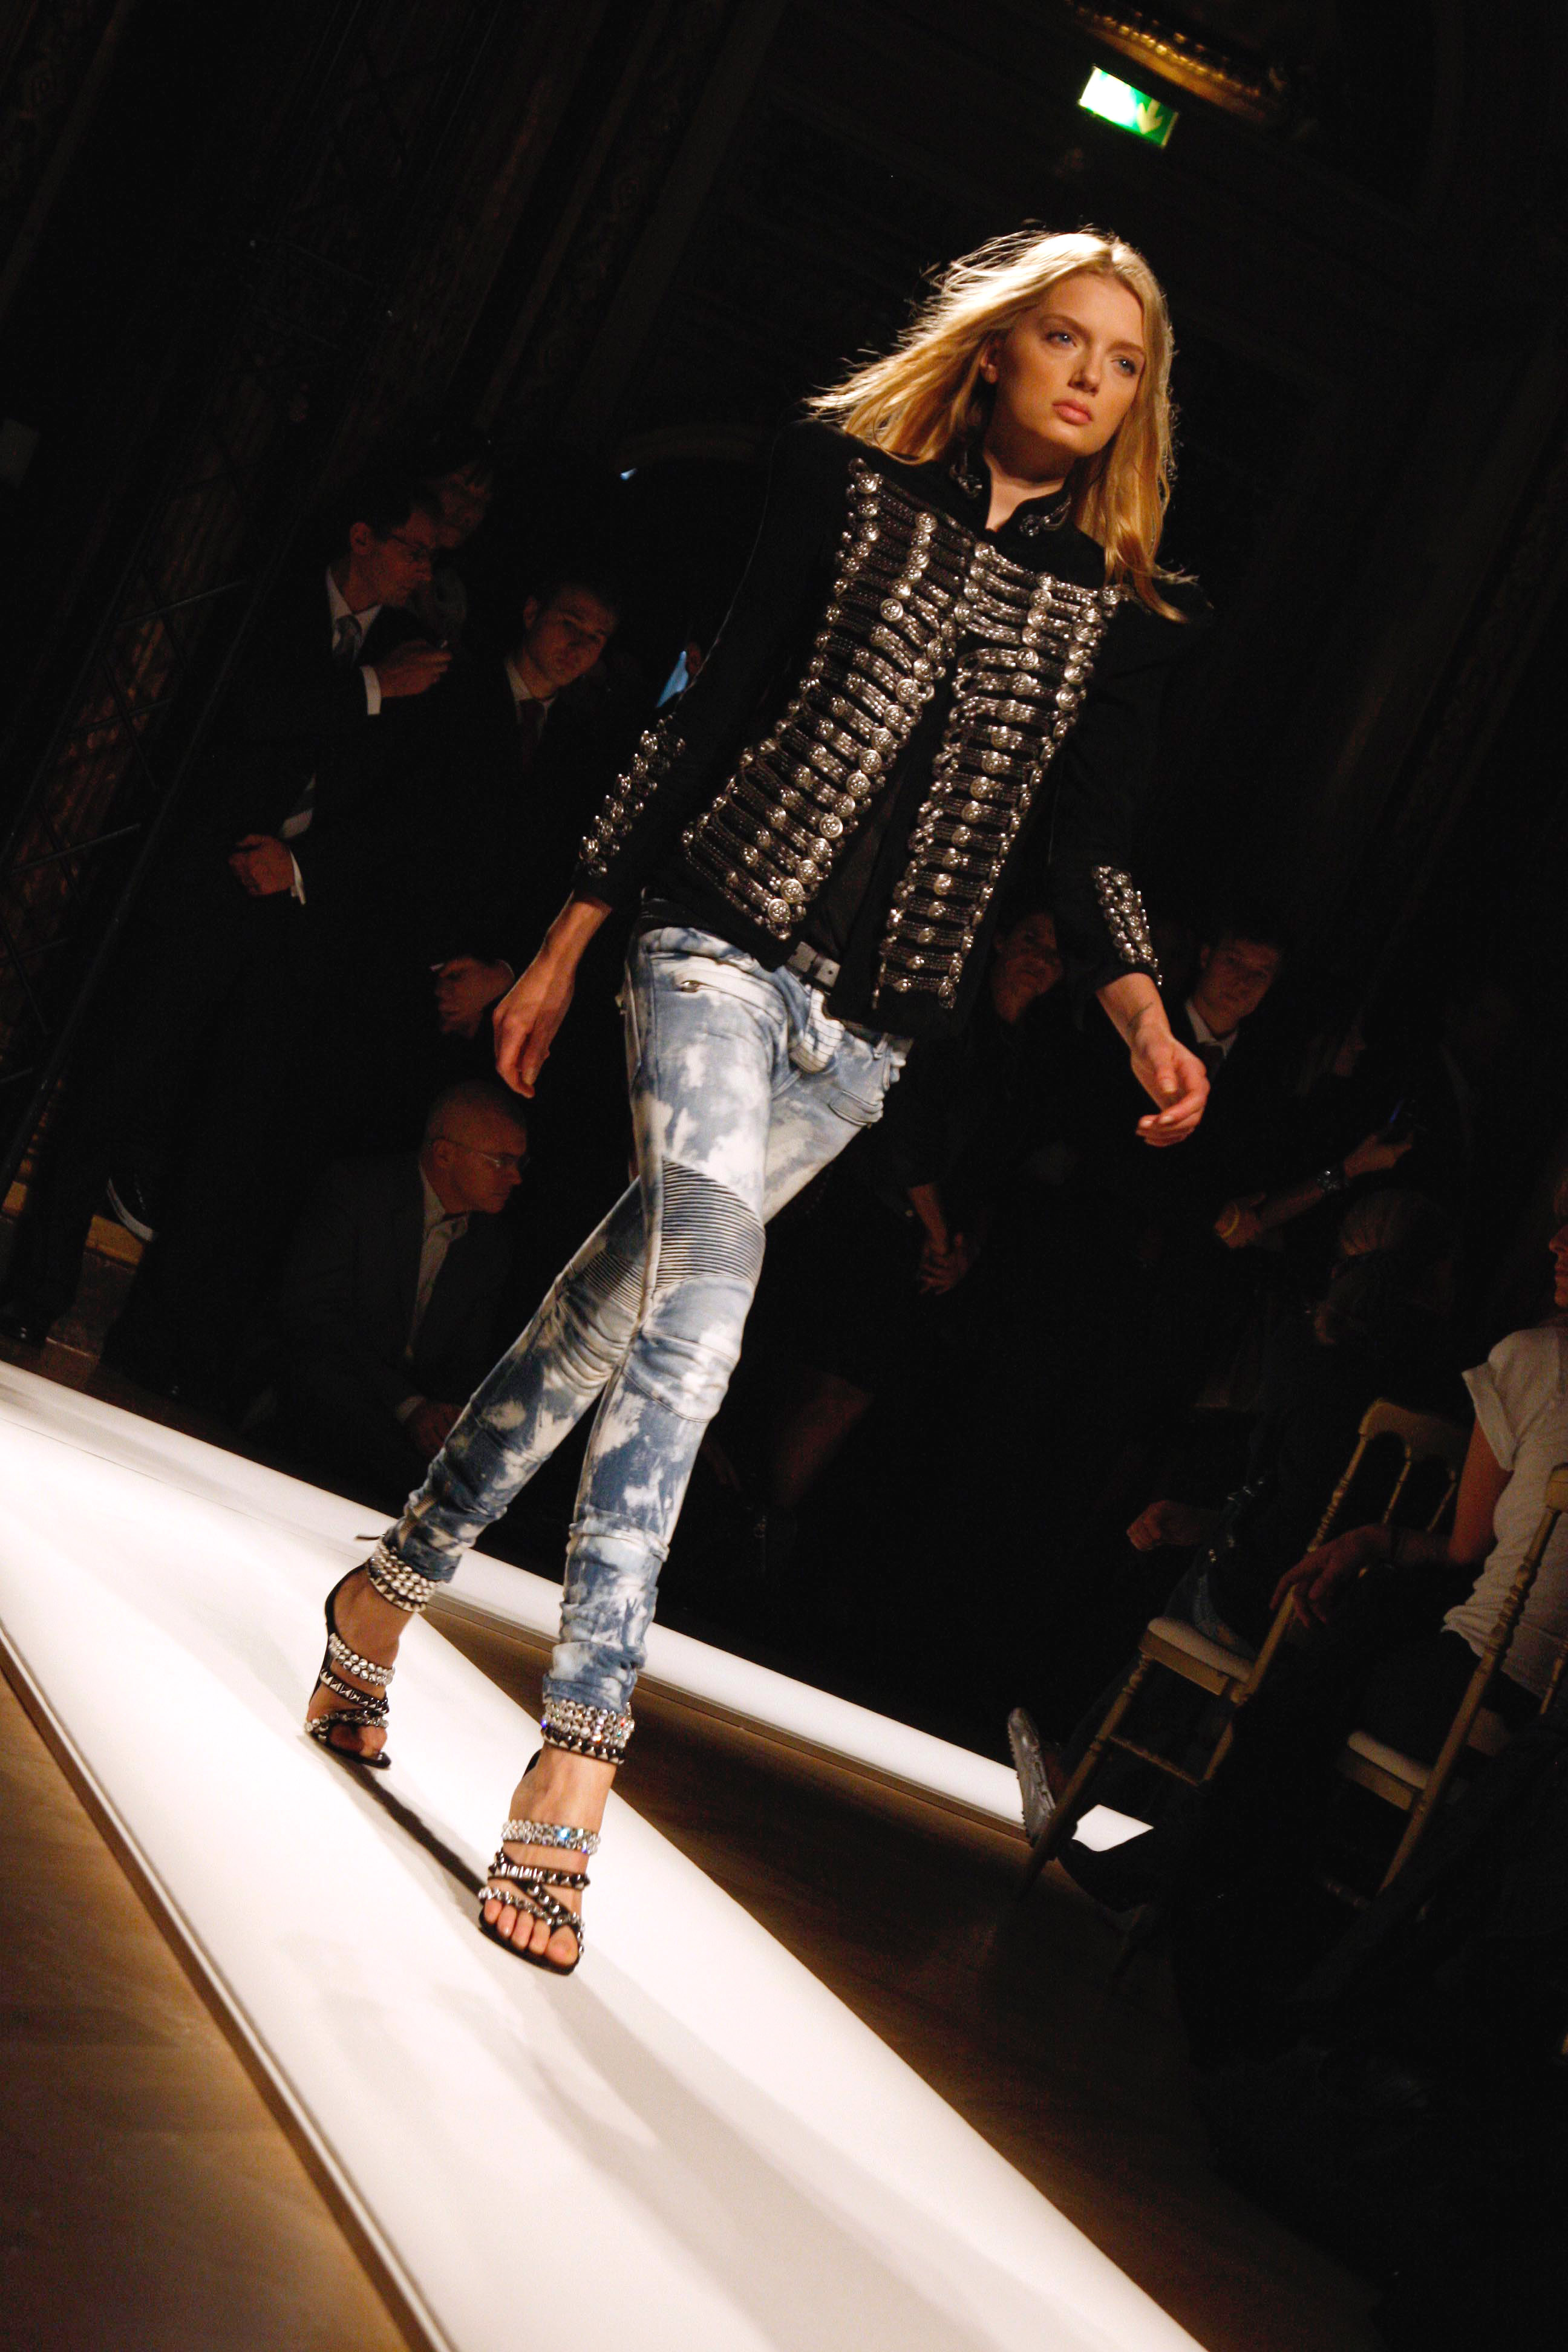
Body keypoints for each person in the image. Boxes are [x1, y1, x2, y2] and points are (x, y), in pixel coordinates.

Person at [305, 224, 1212, 1973]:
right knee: (706, 1311)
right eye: (1067, 343)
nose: (1091, 378)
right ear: (1002, 351)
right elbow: (701, 716)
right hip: (719, 943)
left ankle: (384, 1590)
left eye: (1123, 363)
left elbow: (1089, 848)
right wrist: (570, 938)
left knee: (601, 1320)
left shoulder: (1117, 623)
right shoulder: (841, 485)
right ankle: (578, 1754)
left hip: (864, 1040)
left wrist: (1147, 1018)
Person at [0, 468, 451, 1361]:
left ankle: (155, 1344)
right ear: (363, 538)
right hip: (194, 886)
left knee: (229, 1132)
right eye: (413, 550)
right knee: (112, 1086)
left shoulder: (416, 652)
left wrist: (300, 865)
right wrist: (367, 689)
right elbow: (244, 710)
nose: (423, 572)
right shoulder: (275, 603)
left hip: (292, 909)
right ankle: (31, 1293)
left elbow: (396, 810)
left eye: (435, 559)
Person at [258, 1082, 528, 1509]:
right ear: (444, 1154)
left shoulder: (490, 1244)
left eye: (517, 1162)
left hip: (407, 1415)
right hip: (330, 1387)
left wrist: (446, 1415)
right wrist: (410, 1406)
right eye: (501, 1161)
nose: (515, 1177)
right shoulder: (358, 1192)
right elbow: (312, 1316)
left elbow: (467, 1358)